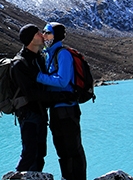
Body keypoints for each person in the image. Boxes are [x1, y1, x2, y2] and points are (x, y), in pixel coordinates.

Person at [10, 24, 76, 173]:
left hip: (40, 114)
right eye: (38, 33)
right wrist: (60, 96)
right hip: (28, 114)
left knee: (40, 154)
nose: (42, 35)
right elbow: (31, 94)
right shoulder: (19, 64)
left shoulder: (39, 58)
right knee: (29, 153)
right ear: (31, 39)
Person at [36, 22, 87, 180]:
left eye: (47, 32)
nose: (44, 35)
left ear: (55, 36)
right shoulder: (50, 54)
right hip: (57, 110)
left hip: (68, 109)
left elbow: (63, 80)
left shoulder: (62, 54)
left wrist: (38, 77)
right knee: (62, 149)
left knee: (73, 149)